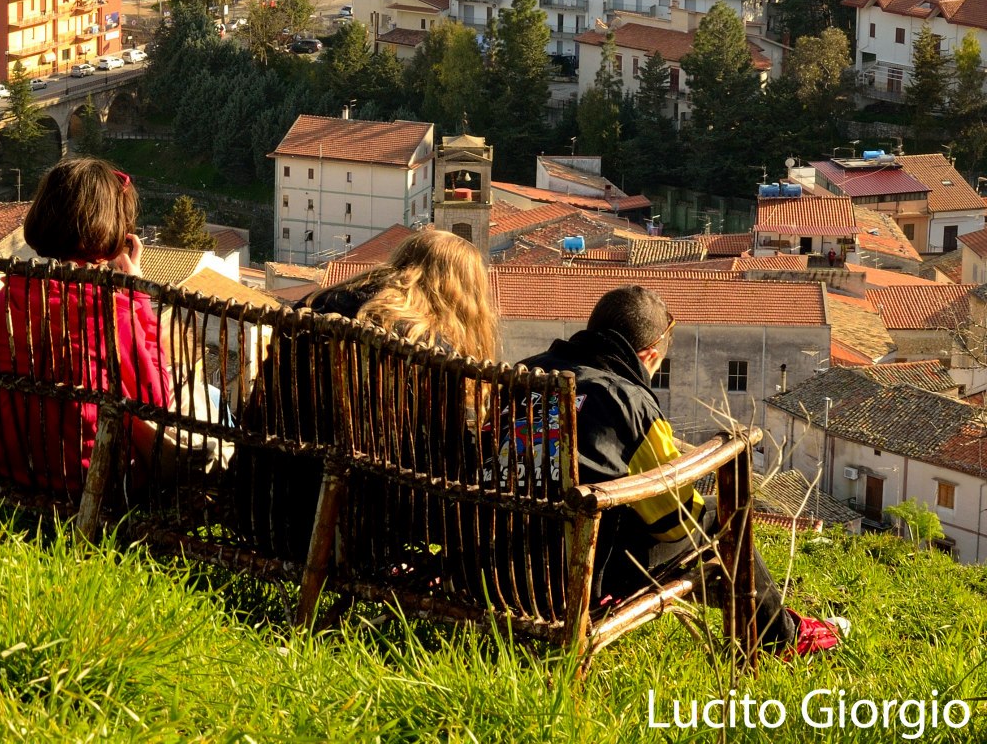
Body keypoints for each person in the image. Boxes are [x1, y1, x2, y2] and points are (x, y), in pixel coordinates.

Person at [523, 285, 849, 658]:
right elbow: (675, 523)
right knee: (721, 513)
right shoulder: (628, 402)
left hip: (498, 561)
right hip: (575, 576)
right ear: (647, 356)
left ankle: (752, 612)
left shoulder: (524, 373)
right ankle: (781, 637)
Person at [233, 228, 498, 559]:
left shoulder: (318, 303)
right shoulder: (429, 349)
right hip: (367, 531)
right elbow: (449, 454)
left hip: (265, 501)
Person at [0, 157, 172, 496]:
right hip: (91, 481)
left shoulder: (7, 300)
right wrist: (137, 296)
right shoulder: (110, 308)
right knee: (212, 400)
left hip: (10, 461)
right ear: (113, 231)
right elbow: (156, 403)